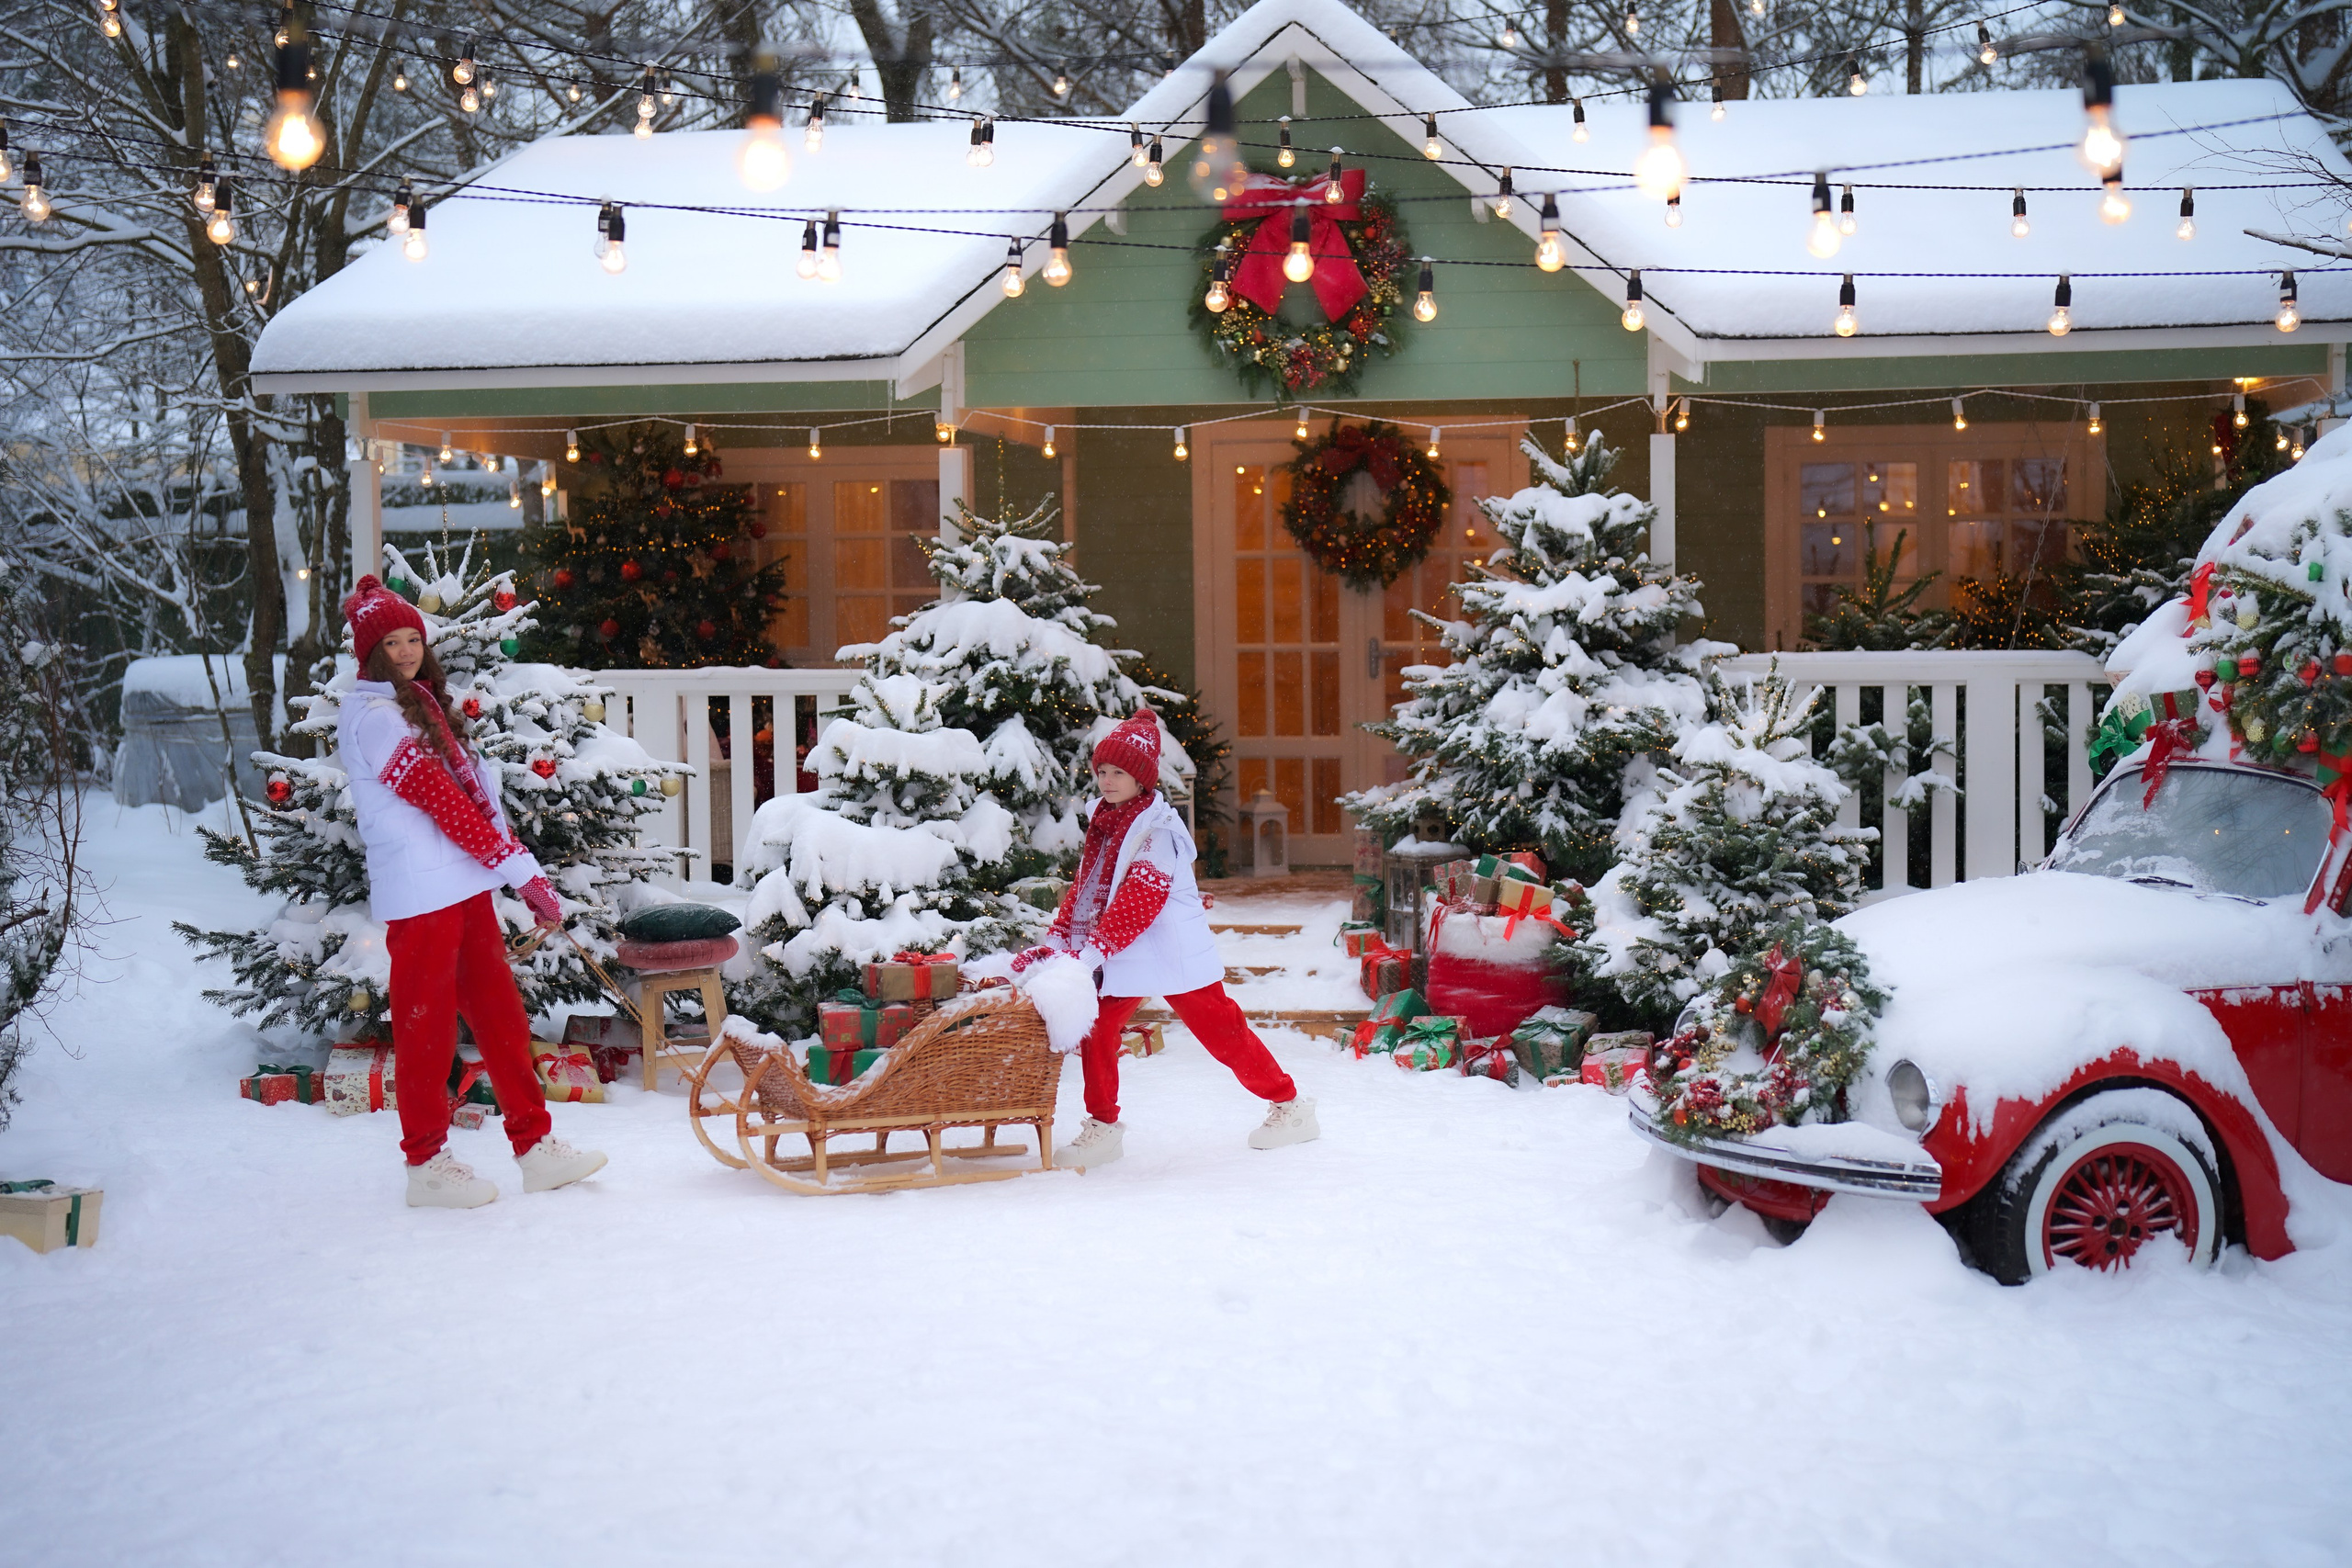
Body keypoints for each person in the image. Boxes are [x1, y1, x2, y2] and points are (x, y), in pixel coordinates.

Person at [338, 575, 607, 1208]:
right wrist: (520, 870)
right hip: (420, 892)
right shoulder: (374, 718)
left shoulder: (425, 705)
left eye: (413, 639)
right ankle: (426, 1162)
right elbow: (442, 801)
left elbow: (478, 801)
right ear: (369, 653)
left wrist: (519, 869)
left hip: (463, 883)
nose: (405, 651)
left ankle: (534, 1144)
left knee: (500, 1016)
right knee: (426, 1028)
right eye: (391, 643)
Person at [1013, 708, 1319, 1168]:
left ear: (1142, 779)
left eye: (1119, 772)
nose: (1108, 780)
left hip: (1168, 950)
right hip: (1125, 952)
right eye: (1102, 771)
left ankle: (1290, 1106)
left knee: (1223, 1033)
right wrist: (1062, 938)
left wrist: (1091, 951)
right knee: (1096, 1030)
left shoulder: (1158, 831)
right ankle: (1103, 1127)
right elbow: (1087, 886)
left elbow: (1140, 898)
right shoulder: (1107, 821)